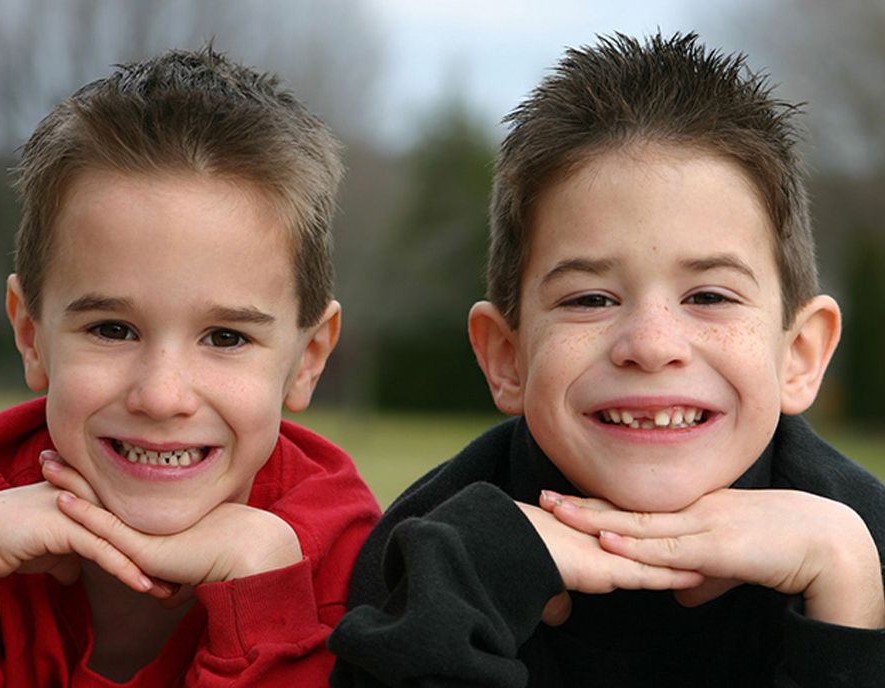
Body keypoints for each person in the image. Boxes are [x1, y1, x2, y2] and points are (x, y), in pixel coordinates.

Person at [329, 32, 885, 687]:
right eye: (591, 298)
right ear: (506, 358)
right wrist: (476, 585)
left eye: (708, 295)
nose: (650, 345)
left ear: (800, 354)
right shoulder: (434, 557)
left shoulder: (863, 545)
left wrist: (849, 607)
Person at [0, 47, 380, 687]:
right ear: (31, 335)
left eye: (225, 337)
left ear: (308, 359)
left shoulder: (354, 570)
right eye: (112, 329)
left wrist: (262, 592)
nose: (162, 395)